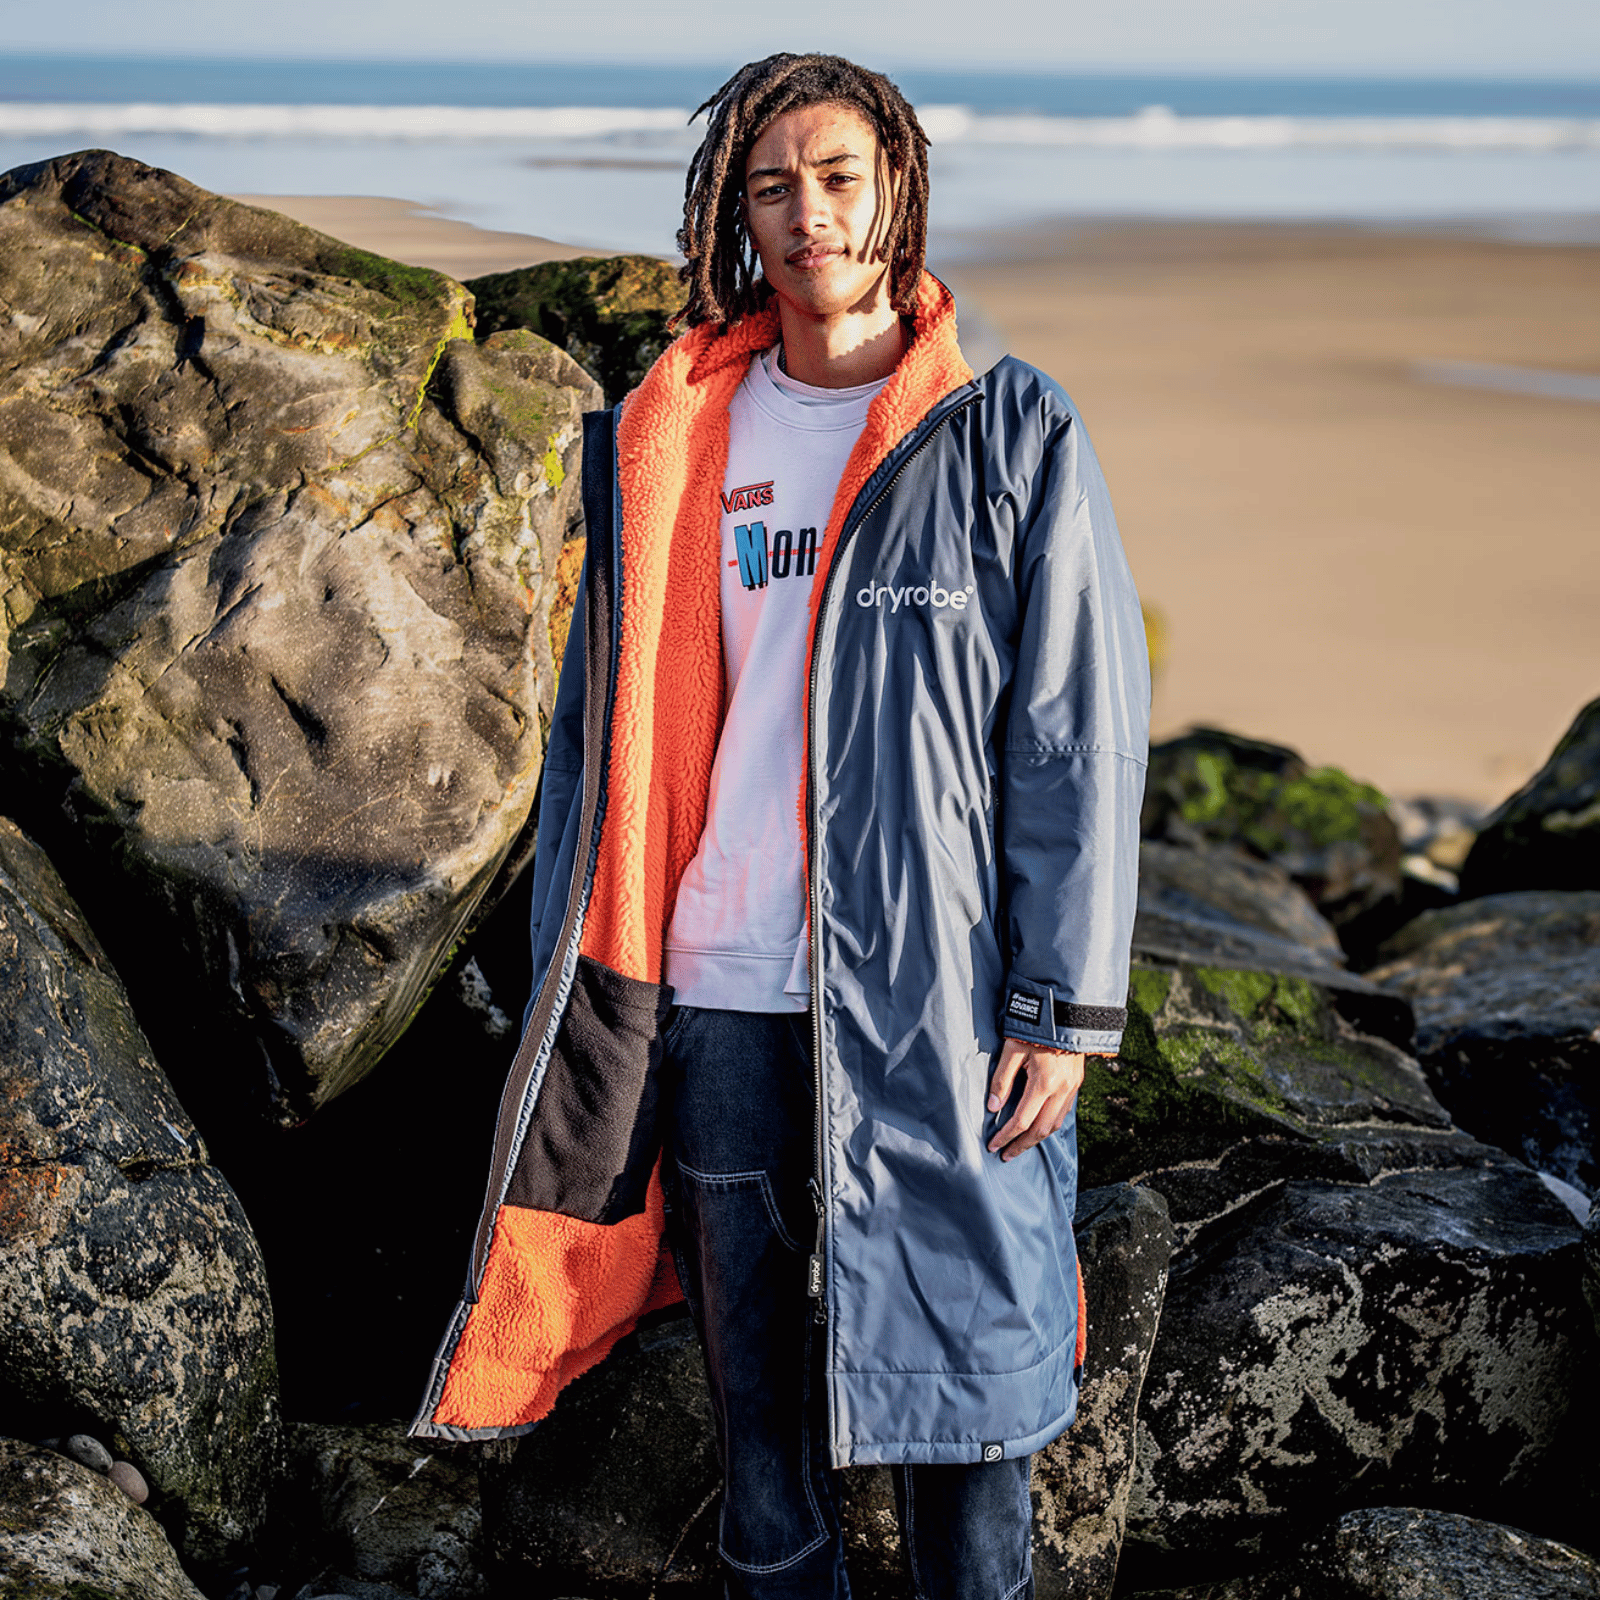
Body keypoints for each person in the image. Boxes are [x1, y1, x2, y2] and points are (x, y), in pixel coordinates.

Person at [412, 52, 1150, 1600]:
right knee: (759, 1438)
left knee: (973, 1415)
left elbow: (1073, 737)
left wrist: (1062, 1008)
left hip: (939, 1004)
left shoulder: (1005, 432)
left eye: (836, 177)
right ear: (735, 219)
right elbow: (600, 749)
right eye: (771, 187)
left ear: (897, 189)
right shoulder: (676, 436)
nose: (807, 212)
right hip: (721, 993)